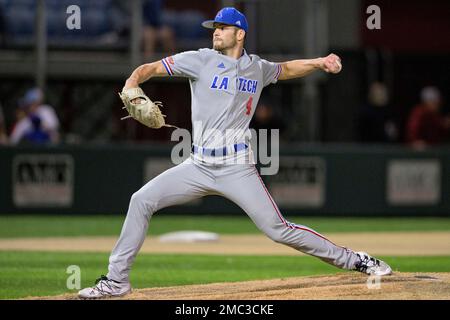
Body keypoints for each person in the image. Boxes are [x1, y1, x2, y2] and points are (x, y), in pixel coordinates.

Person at [79, 7, 392, 299]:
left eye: (222, 27)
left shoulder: (256, 68)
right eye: (214, 27)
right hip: (198, 164)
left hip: (236, 167)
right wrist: (132, 82)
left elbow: (284, 69)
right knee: (141, 200)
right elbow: (149, 67)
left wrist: (319, 62)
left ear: (239, 33)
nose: (215, 31)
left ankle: (355, 260)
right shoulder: (199, 59)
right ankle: (117, 281)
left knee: (278, 229)